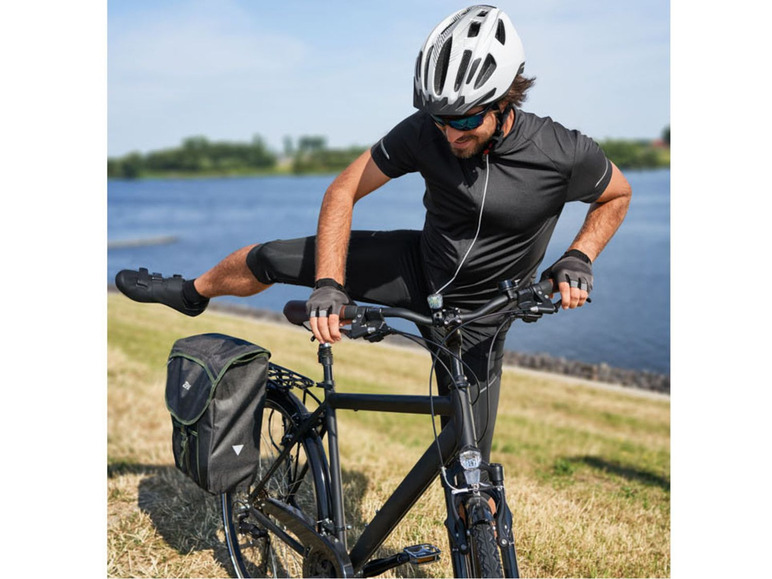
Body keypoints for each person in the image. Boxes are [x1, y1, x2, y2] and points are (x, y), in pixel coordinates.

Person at [115, 5, 631, 461]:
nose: (450, 133)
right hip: (416, 268)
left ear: (504, 100)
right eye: (439, 119)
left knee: (468, 464)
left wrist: (579, 256)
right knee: (271, 257)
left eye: (465, 119)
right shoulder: (426, 131)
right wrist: (330, 283)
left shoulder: (562, 151)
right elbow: (343, 190)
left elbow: (617, 194)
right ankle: (192, 293)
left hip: (482, 315)